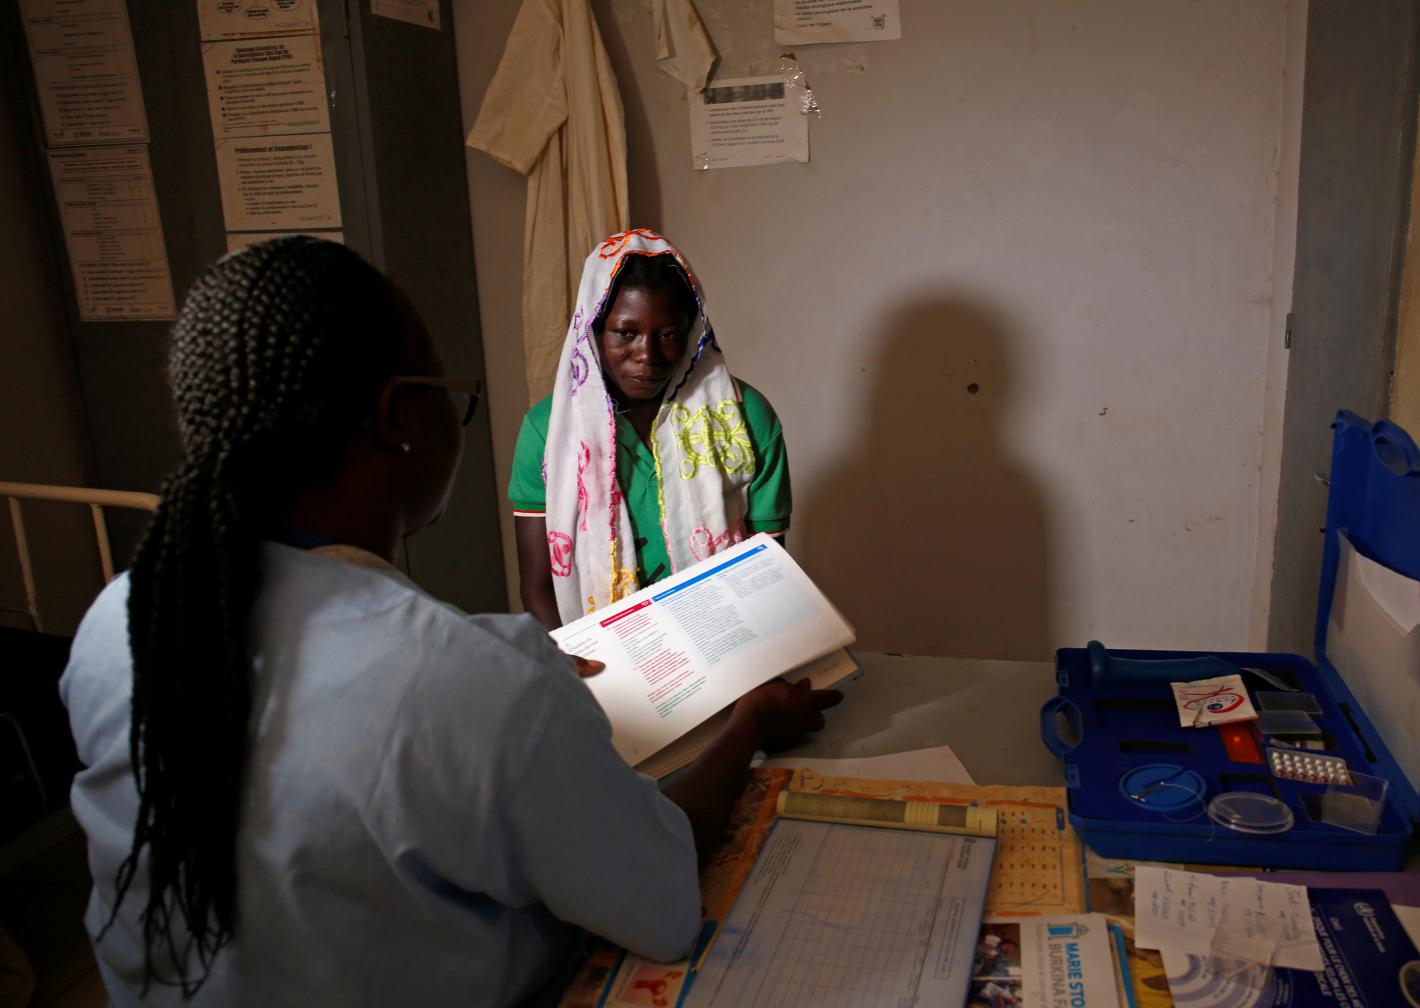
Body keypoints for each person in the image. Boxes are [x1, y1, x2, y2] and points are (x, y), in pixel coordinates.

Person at [60, 237, 838, 1006]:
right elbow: (663, 905)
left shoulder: (118, 623)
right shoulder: (484, 685)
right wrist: (750, 728)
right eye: (449, 391)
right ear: (402, 416)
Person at [510, 229, 793, 629]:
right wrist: (576, 670)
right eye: (625, 333)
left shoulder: (746, 418)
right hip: (597, 660)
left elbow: (769, 573)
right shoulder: (548, 431)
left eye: (667, 335)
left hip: (728, 641)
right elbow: (537, 586)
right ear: (592, 330)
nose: (647, 355)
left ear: (693, 332)